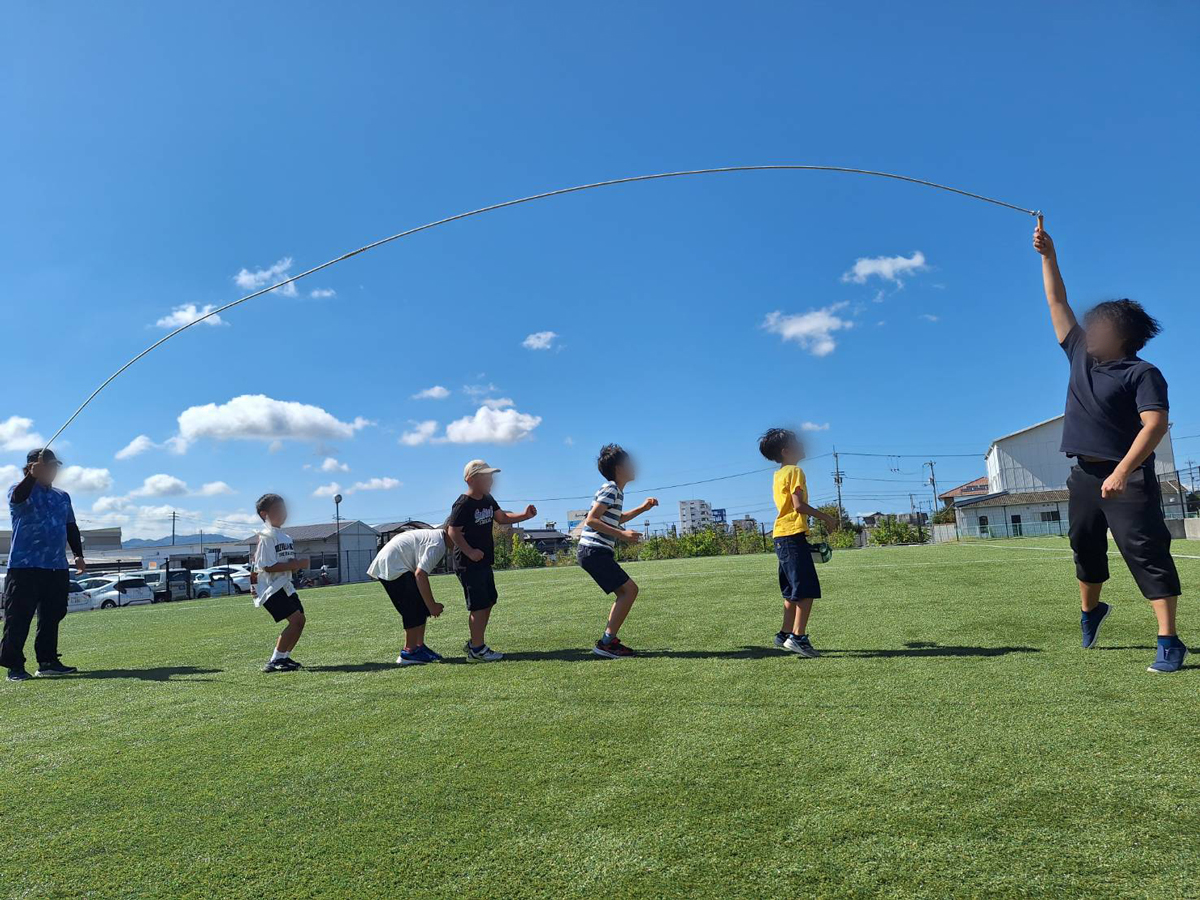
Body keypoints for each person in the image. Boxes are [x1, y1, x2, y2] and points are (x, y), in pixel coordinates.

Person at [1034, 225, 1185, 672]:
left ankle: (1169, 641)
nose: (1092, 329)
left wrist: (1122, 471)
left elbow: (1155, 425)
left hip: (1129, 477)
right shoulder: (1080, 353)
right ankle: (1091, 610)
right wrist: (1048, 256)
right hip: (1084, 475)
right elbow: (1057, 301)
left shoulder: (1142, 373)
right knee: (1084, 548)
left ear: (1123, 334)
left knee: (1146, 552)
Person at [2, 449, 86, 682]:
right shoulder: (19, 490)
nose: (52, 470)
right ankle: (14, 667)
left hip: (56, 566)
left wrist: (78, 554)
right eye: (47, 466)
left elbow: (70, 526)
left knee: (53, 615)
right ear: (31, 467)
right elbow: (17, 497)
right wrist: (31, 477)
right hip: (24, 567)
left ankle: (48, 662)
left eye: (54, 466)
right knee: (18, 618)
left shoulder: (62, 496)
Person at [445, 460, 537, 662]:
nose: (491, 480)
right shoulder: (463, 503)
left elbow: (501, 518)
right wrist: (470, 552)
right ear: (471, 479)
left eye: (491, 476)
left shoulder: (488, 499)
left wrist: (525, 515)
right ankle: (477, 650)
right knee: (478, 605)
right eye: (486, 476)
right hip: (468, 563)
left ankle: (475, 643)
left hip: (483, 561)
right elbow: (452, 531)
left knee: (488, 601)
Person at [758, 428, 838, 658]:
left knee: (791, 590)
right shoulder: (795, 471)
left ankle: (784, 633)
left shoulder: (779, 474)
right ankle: (798, 637)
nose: (802, 444)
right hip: (792, 534)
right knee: (805, 588)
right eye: (796, 442)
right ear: (786, 451)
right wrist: (827, 518)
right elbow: (798, 506)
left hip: (781, 536)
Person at [577, 444, 658, 658]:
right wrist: (622, 535)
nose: (633, 466)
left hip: (594, 552)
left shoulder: (615, 491)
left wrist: (642, 508)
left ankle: (608, 641)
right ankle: (607, 643)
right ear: (619, 468)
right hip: (593, 551)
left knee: (626, 592)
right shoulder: (611, 489)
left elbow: (616, 519)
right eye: (629, 463)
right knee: (630, 590)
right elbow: (591, 520)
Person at [367, 527, 450, 665]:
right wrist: (432, 606)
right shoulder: (438, 544)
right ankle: (409, 652)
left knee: (420, 604)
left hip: (394, 561)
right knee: (412, 607)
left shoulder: (437, 538)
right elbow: (420, 574)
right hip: (393, 564)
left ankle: (418, 646)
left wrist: (429, 605)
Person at [252, 493, 310, 673]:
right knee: (295, 620)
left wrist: (296, 565)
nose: (283, 512)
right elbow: (267, 566)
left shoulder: (285, 537)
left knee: (300, 620)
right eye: (277, 509)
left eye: (283, 508)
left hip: (285, 585)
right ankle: (274, 660)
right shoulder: (266, 536)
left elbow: (286, 564)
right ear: (264, 514)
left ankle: (283, 657)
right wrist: (297, 564)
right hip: (271, 588)